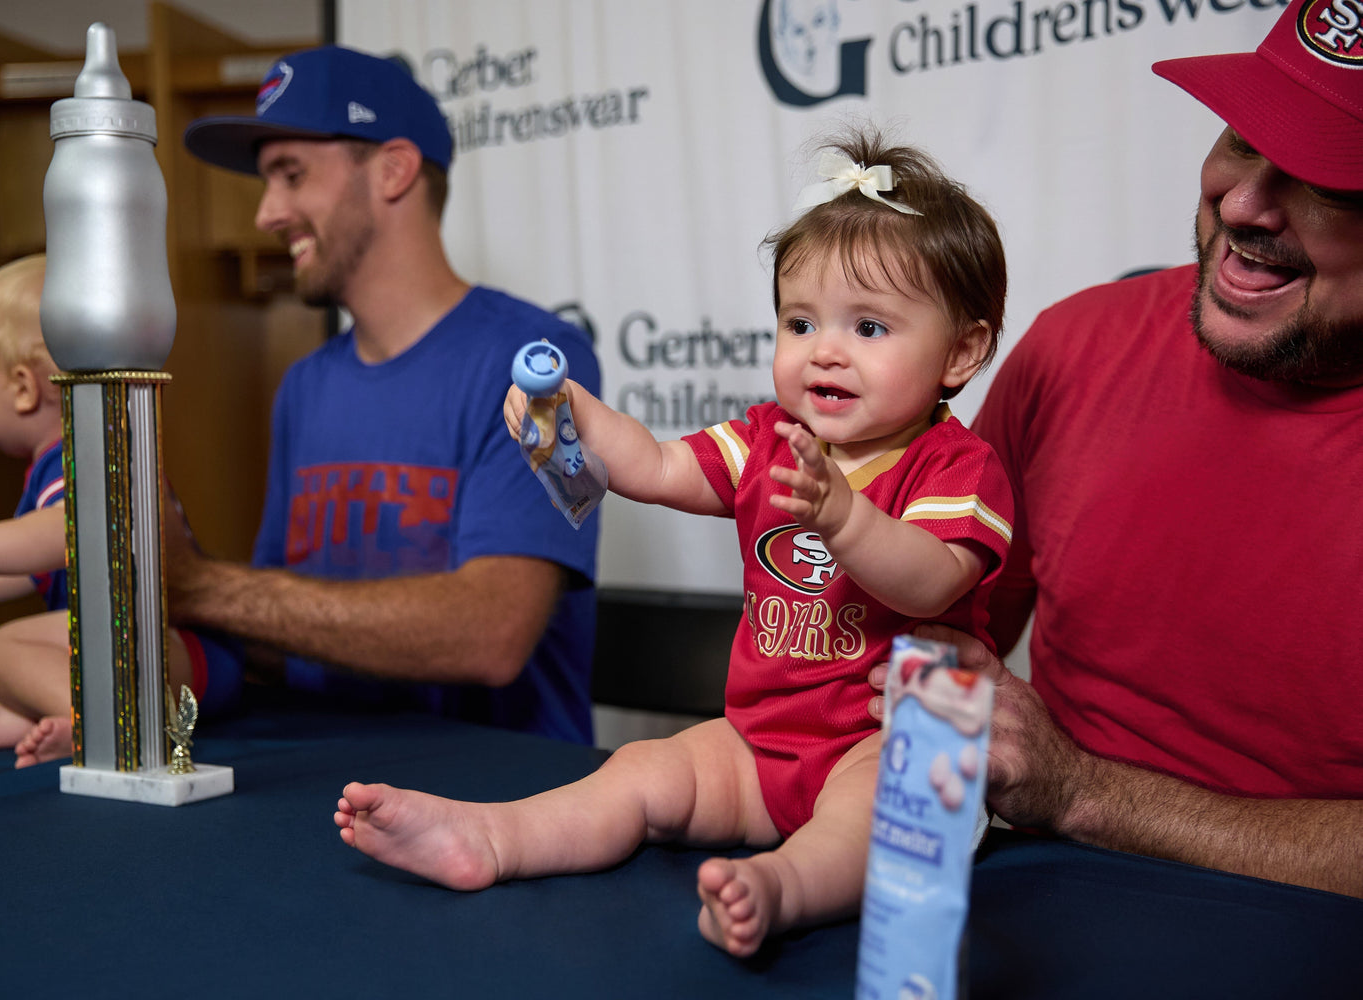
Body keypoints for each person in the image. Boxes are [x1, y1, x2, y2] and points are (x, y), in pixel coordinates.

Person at [332, 124, 1014, 957]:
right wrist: (572, 414)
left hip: (885, 743)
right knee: (642, 772)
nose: (824, 352)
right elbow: (653, 464)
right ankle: (494, 837)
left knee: (869, 822)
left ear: (963, 351)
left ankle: (782, 887)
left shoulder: (957, 465)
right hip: (759, 741)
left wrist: (842, 515)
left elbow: (934, 581)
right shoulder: (768, 439)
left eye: (869, 329)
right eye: (800, 323)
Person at [880, 5, 1363, 898]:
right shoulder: (1074, 347)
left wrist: (1084, 793)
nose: (1245, 202)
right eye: (1241, 141)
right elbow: (944, 629)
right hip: (1037, 899)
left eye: (1327, 183)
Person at [174, 46, 601, 743]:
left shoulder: (544, 367)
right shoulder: (305, 387)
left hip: (505, 810)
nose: (267, 215)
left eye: (291, 174)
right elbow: (274, 630)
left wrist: (200, 588)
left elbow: (495, 632)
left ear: (394, 170)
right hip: (326, 794)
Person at [0, 256, 225, 769]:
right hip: (166, 657)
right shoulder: (67, 460)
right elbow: (42, 561)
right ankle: (34, 718)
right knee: (35, 651)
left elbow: (70, 531)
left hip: (171, 647)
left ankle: (95, 729)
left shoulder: (85, 458)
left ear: (22, 387)